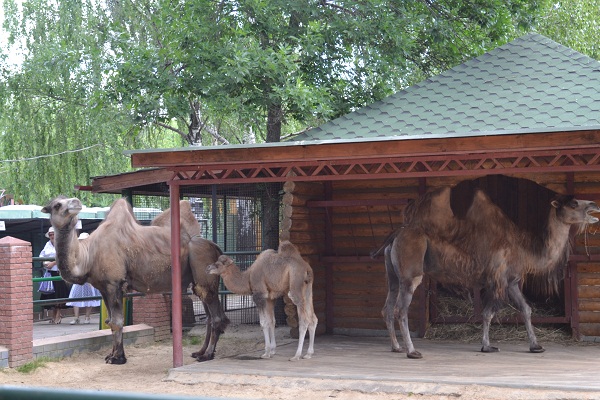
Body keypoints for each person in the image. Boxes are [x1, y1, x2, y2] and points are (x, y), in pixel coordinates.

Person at [66, 232, 101, 324]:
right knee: (75, 296)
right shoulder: (76, 251)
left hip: (89, 276)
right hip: (79, 276)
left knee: (90, 296)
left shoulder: (93, 251)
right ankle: (76, 317)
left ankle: (87, 317)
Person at [39, 226, 71, 324]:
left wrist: (53, 263)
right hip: (50, 273)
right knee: (52, 295)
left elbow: (64, 256)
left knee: (59, 294)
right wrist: (45, 264)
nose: (52, 236)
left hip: (59, 272)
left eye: (53, 234)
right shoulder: (47, 244)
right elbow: (41, 256)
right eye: (50, 234)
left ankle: (58, 315)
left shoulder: (61, 244)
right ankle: (54, 315)